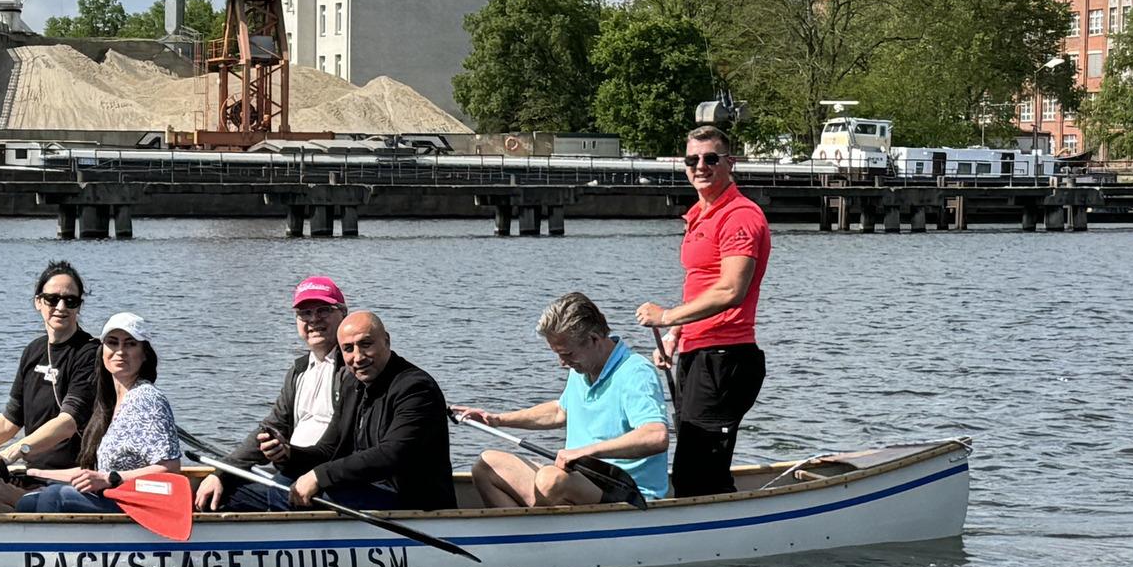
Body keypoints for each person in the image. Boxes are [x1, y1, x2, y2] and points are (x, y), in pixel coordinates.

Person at [635, 125, 770, 497]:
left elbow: (731, 290)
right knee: (693, 466)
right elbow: (701, 281)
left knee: (698, 471)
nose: (701, 166)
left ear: (730, 163)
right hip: (700, 352)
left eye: (711, 158)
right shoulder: (700, 215)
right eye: (692, 159)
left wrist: (666, 317)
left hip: (725, 357)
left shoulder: (740, 216)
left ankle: (727, 541)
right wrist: (675, 335)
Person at [456, 293, 670, 507]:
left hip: (627, 492)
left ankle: (538, 535)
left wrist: (585, 451)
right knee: (486, 465)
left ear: (594, 339)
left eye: (567, 354)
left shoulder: (636, 372)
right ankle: (526, 538)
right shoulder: (582, 367)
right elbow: (560, 412)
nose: (562, 363)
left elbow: (656, 436)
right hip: (581, 481)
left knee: (550, 479)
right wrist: (497, 419)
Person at [0, 261, 103, 512]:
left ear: (79, 306)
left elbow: (68, 423)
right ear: (38, 302)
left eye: (70, 301)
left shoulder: (89, 354)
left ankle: (8, 548)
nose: (61, 307)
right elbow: (9, 420)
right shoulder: (34, 350)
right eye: (52, 299)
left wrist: (13, 452)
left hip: (68, 478)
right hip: (29, 472)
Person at [196, 275, 351, 512]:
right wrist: (223, 473)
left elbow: (341, 441)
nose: (313, 320)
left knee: (275, 491)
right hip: (290, 472)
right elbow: (270, 427)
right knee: (215, 496)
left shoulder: (354, 370)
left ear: (343, 314)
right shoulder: (299, 371)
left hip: (326, 481)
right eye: (304, 314)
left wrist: (290, 456)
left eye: (323, 311)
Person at [285, 311, 454, 512]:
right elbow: (329, 450)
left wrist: (319, 476)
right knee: (270, 485)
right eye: (348, 349)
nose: (358, 357)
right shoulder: (352, 384)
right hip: (368, 490)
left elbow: (391, 455)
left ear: (386, 341)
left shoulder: (416, 388)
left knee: (319, 494)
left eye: (365, 344)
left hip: (414, 505)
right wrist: (287, 454)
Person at [16, 313, 178, 515]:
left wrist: (110, 479)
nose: (120, 351)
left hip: (138, 504)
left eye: (130, 344)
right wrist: (33, 473)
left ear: (144, 353)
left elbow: (170, 469)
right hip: (112, 497)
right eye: (112, 343)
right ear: (102, 352)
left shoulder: (147, 398)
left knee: (53, 497)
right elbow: (93, 473)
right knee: (28, 502)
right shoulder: (108, 403)